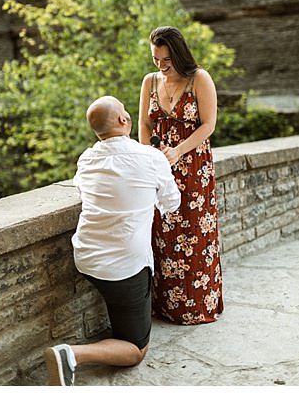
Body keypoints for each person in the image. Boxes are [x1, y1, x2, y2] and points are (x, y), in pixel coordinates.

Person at [44, 96, 181, 386]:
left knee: (120, 301)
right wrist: (162, 167)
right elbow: (172, 203)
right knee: (135, 349)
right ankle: (70, 355)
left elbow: (86, 186)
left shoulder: (87, 158)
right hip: (124, 268)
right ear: (123, 121)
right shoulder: (151, 157)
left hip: (86, 257)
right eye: (125, 111)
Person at [138, 25, 224, 325]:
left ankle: (198, 305)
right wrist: (151, 159)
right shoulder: (149, 82)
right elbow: (144, 129)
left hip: (194, 168)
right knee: (163, 234)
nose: (161, 66)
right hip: (159, 168)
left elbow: (208, 125)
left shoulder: (199, 79)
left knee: (195, 235)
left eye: (166, 60)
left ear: (178, 54)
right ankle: (167, 306)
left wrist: (179, 151)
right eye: (155, 59)